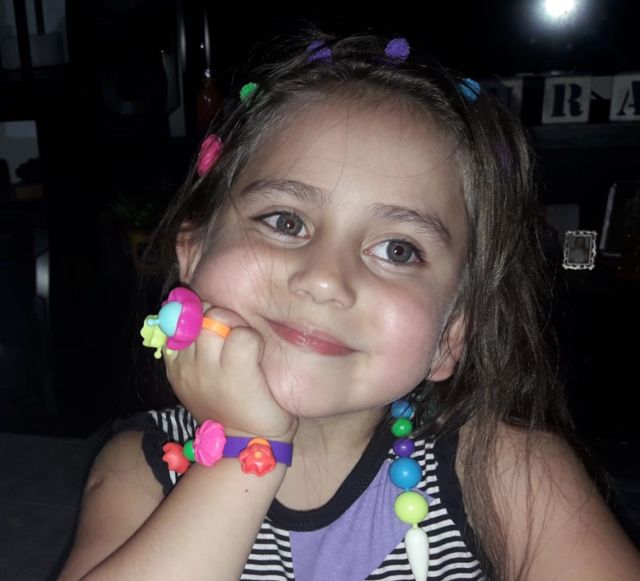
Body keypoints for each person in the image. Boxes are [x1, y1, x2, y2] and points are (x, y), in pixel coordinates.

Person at [59, 28, 640, 580]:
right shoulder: (144, 466)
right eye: (285, 222)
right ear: (191, 256)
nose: (324, 280)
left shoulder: (507, 470)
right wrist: (245, 448)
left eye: (397, 250)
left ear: (450, 337)